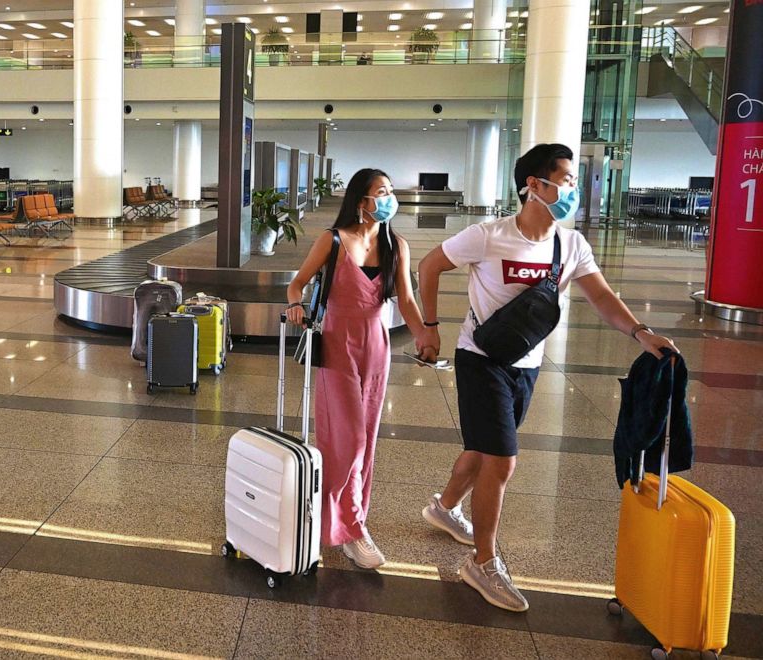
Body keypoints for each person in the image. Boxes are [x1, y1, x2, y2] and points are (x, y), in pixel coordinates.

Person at [416, 143, 678, 612]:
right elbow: (428, 265)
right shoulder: (488, 235)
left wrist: (641, 332)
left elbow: (600, 296)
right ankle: (482, 562)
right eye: (566, 179)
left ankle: (444, 508)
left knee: (481, 450)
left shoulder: (570, 244)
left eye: (573, 180)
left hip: (528, 364)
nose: (572, 188)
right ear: (534, 185)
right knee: (502, 461)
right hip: (481, 360)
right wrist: (430, 328)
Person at [286, 168, 436, 569]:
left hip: (376, 348)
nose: (389, 199)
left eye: (390, 192)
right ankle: (349, 528)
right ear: (360, 201)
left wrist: (424, 334)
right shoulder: (332, 241)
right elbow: (297, 283)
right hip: (337, 344)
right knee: (347, 438)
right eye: (381, 192)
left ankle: (350, 522)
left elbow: (405, 300)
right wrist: (297, 303)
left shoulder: (396, 245)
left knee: (365, 441)